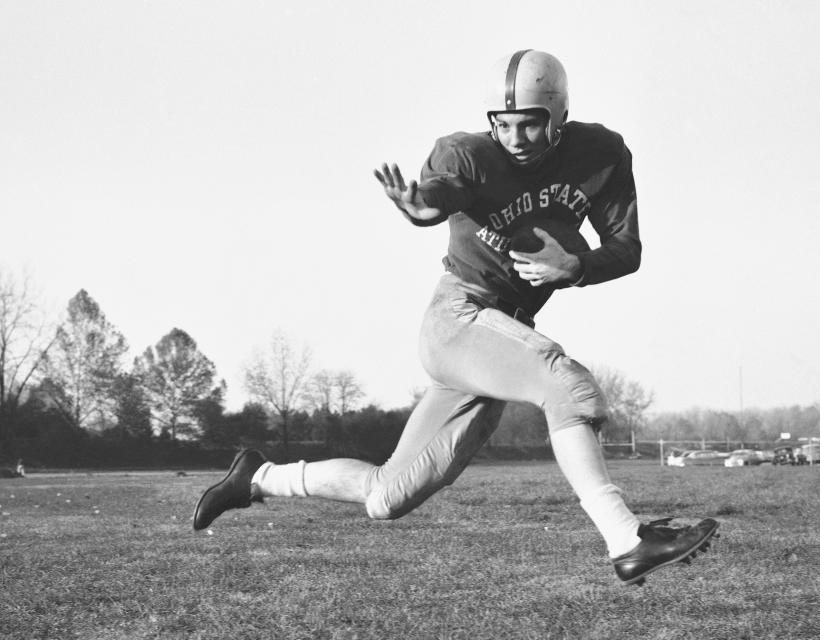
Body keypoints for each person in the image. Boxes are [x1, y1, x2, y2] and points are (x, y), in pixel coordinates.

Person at [193, 49, 718, 586]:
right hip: (459, 318)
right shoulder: (469, 155)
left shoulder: (598, 153)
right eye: (504, 125)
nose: (514, 139)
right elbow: (439, 192)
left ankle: (256, 478)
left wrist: (576, 266)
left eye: (530, 126)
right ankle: (627, 540)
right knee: (570, 389)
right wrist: (422, 207)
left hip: (501, 339)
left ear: (558, 118)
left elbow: (626, 248)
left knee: (386, 495)